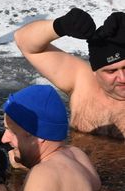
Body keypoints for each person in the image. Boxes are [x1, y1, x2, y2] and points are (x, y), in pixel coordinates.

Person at [15, 8, 125, 139]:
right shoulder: (82, 82)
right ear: (95, 71)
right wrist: (61, 26)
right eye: (111, 71)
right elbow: (24, 42)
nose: (122, 78)